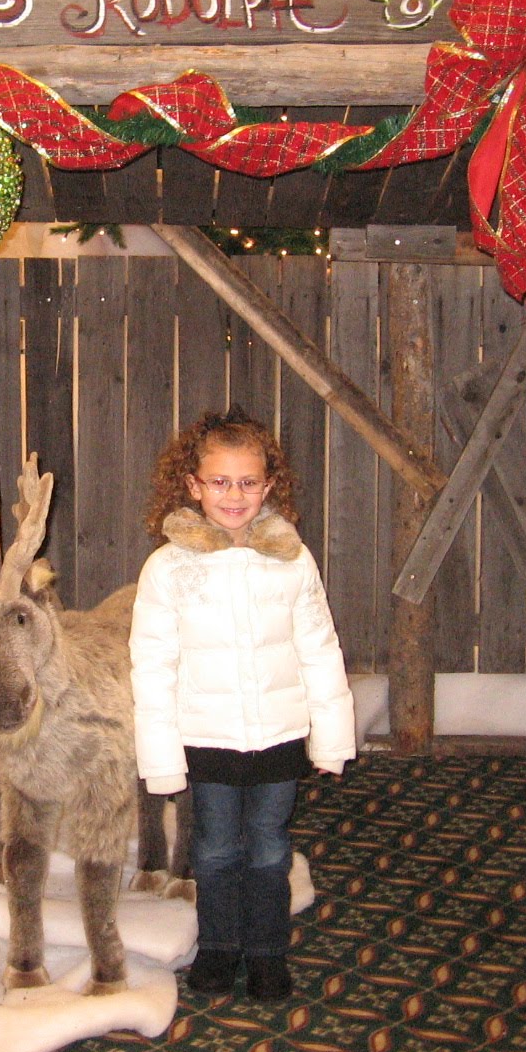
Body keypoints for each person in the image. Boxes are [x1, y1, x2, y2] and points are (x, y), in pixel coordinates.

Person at [129, 405, 355, 1002]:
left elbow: (320, 650)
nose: (234, 496)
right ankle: (219, 947)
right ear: (193, 485)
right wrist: (161, 760)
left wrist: (331, 740)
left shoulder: (293, 561)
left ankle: (267, 953)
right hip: (208, 742)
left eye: (248, 482)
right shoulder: (167, 569)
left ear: (269, 485)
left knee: (270, 849)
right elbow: (153, 667)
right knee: (214, 850)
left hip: (279, 738)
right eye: (220, 482)